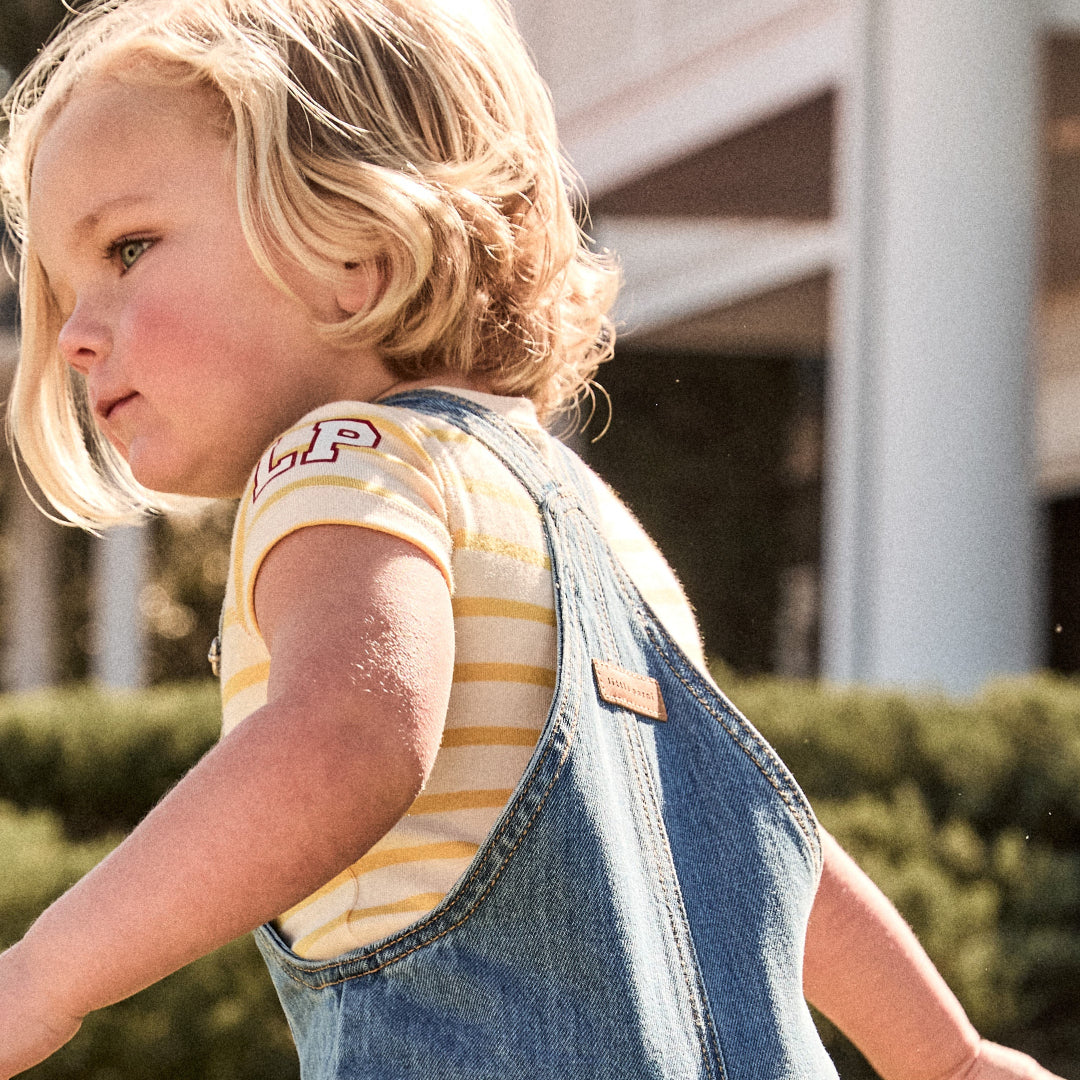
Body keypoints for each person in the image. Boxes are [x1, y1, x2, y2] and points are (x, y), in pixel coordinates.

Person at [0, 1, 1066, 1077]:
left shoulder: (341, 463)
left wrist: (42, 978)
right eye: (62, 292)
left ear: (353, 247)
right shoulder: (589, 519)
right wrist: (947, 1056)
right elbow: (750, 839)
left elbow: (348, 740)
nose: (76, 336)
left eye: (127, 249)